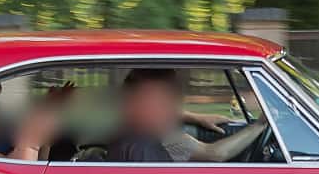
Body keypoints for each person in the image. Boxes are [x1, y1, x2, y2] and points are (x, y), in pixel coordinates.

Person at [108, 68, 268, 163]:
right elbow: (216, 154)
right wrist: (258, 125)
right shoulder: (151, 142)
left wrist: (196, 117)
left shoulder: (135, 129)